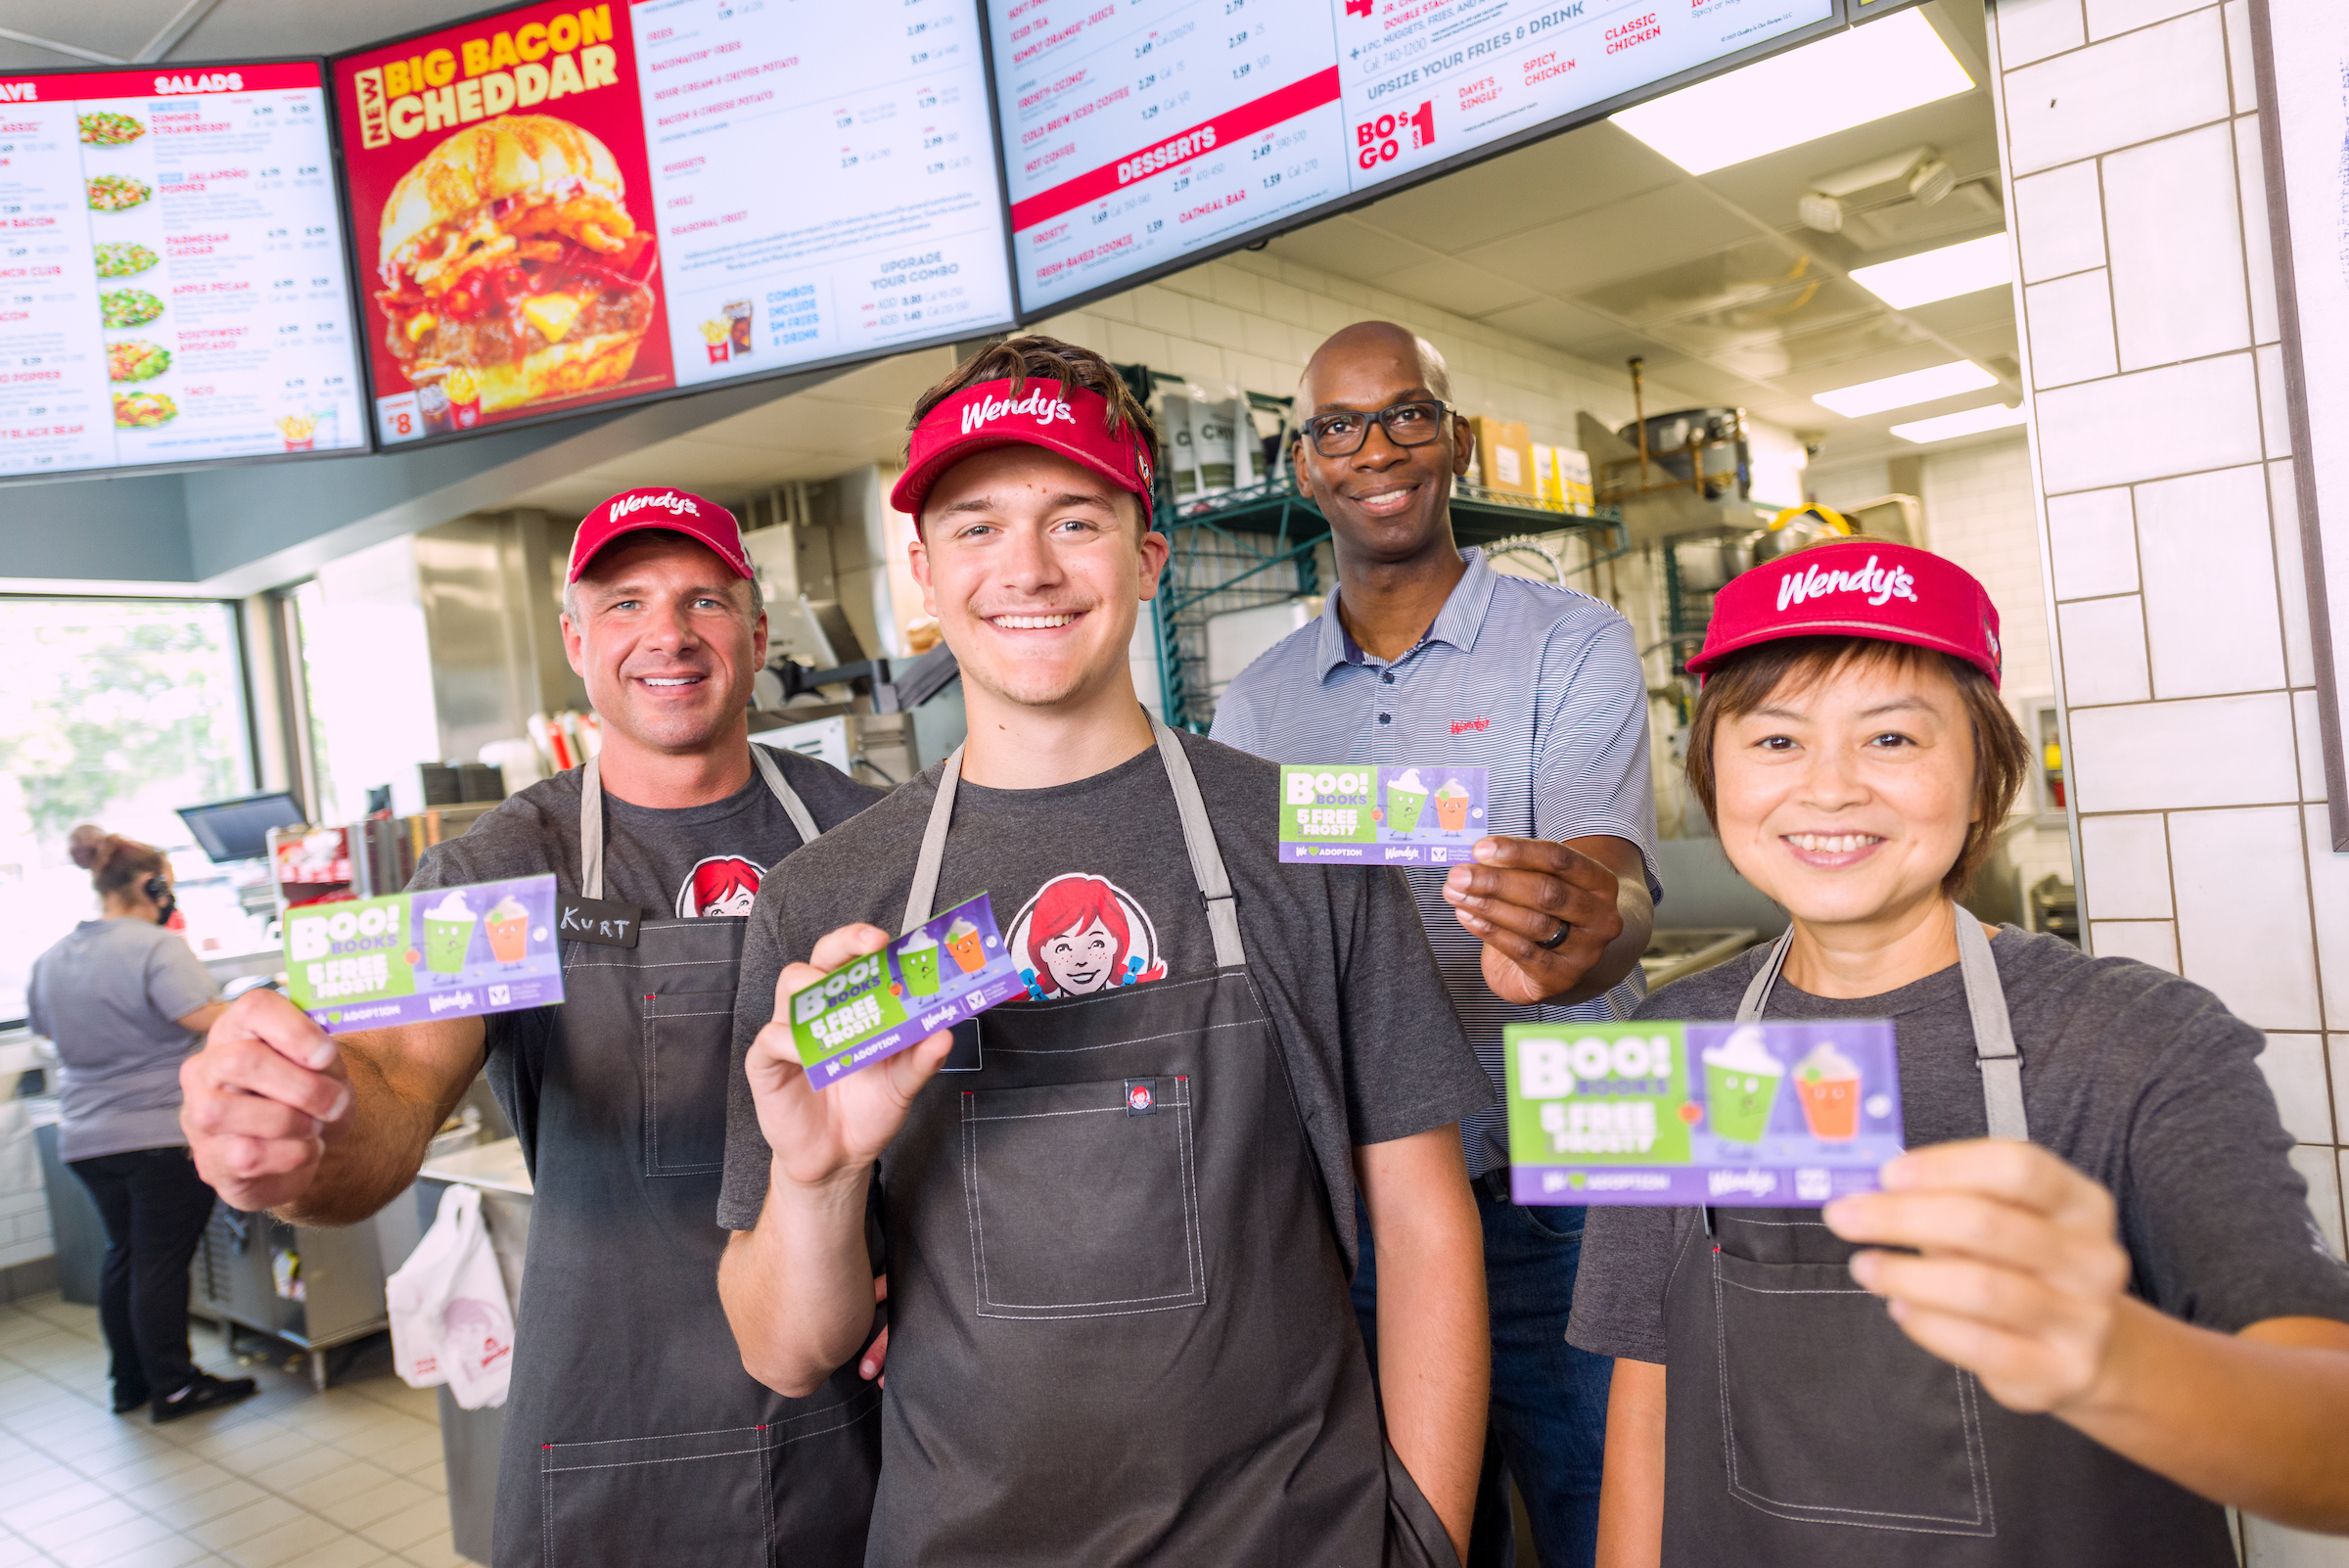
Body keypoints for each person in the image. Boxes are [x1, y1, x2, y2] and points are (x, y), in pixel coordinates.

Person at [715, 335, 1497, 1567]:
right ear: (923, 571)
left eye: (1075, 520)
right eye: (976, 527)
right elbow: (783, 1348)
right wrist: (817, 1182)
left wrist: (1429, 1540)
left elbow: (1424, 1226)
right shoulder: (831, 899)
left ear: (1146, 557)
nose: (1026, 567)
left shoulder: (1301, 842)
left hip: (1298, 1535)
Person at [1566, 537, 2349, 1566]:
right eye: (1776, 741)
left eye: (1891, 739)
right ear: (1714, 777)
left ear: (1984, 778)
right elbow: (1647, 1388)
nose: (1832, 788)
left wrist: (2117, 1358)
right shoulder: (1673, 1040)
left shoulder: (2132, 1041)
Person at [178, 488, 888, 1567]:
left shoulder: (869, 834)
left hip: (860, 1408)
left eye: (705, 599)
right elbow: (394, 1086)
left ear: (756, 632)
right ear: (574, 640)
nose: (668, 634)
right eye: (623, 603)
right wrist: (302, 1136)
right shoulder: (500, 871)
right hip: (619, 1419)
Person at [1212, 320, 1659, 1567]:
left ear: (1452, 440)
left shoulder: (1573, 642)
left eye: (1409, 416)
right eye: (1339, 428)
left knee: (1610, 1513)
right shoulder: (1261, 701)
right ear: (1305, 467)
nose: (1377, 451)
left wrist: (1580, 927)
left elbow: (1610, 887)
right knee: (1418, 1533)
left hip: (1570, 1170)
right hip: (1377, 1201)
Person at [26, 827, 253, 1422]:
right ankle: (175, 1387)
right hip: (157, 1134)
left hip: (84, 1137)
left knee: (123, 1255)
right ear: (150, 885)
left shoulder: (52, 957)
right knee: (158, 1262)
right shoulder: (156, 947)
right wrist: (265, 1001)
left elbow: (47, 1032)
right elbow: (202, 1016)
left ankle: (129, 1384)